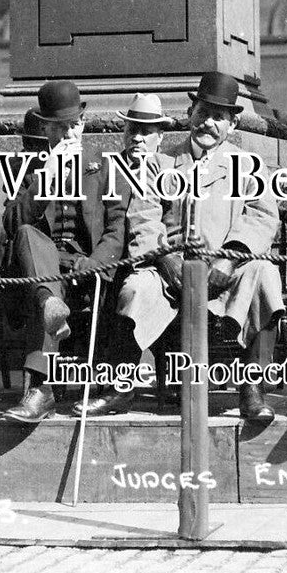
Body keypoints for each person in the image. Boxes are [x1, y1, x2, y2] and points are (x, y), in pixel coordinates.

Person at [118, 71, 285, 422]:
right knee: (134, 288)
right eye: (203, 112)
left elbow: (262, 217)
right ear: (191, 112)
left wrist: (229, 259)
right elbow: (144, 218)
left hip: (228, 272)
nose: (208, 123)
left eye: (219, 117)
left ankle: (253, 387)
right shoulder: (160, 164)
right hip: (170, 275)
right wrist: (166, 261)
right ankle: (119, 387)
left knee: (265, 274)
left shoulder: (248, 165)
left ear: (232, 123)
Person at [1, 81, 127, 423]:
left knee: (48, 288)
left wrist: (94, 265)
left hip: (84, 267)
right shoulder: (25, 171)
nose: (67, 134)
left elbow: (117, 229)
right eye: (58, 127)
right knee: (29, 237)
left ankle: (39, 392)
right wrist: (45, 178)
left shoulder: (106, 167)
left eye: (73, 125)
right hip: (40, 265)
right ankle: (41, 387)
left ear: (83, 124)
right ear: (45, 128)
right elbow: (12, 226)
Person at [72, 93, 174, 416]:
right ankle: (111, 384)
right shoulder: (104, 168)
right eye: (133, 130)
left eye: (147, 132)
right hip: (106, 262)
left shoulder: (171, 171)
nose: (139, 139)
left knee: (133, 290)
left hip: (157, 266)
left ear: (161, 137)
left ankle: (120, 388)